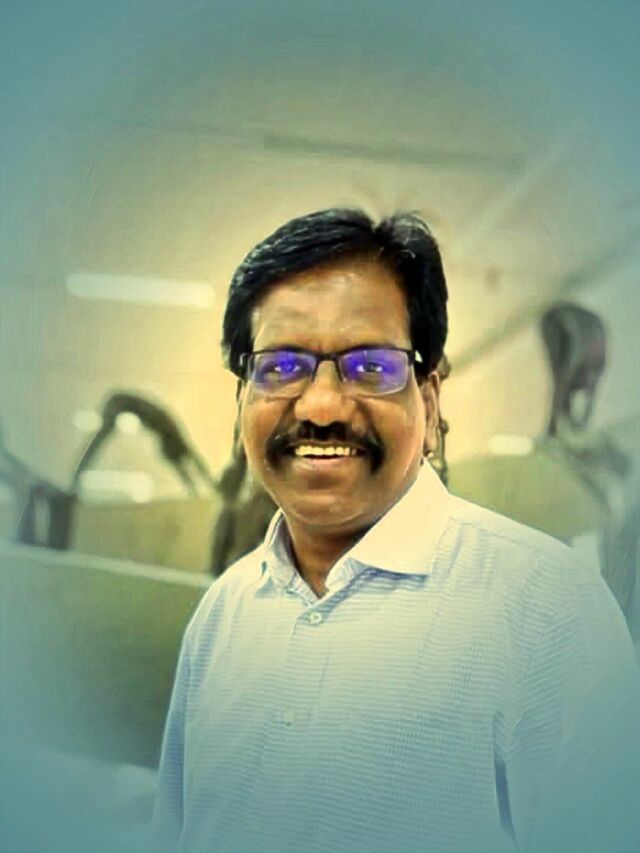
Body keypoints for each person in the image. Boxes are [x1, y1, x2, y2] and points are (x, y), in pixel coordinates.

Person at [150, 209, 640, 853]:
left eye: (371, 368)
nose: (321, 406)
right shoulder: (222, 615)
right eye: (281, 366)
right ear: (242, 399)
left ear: (429, 401)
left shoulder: (548, 613)